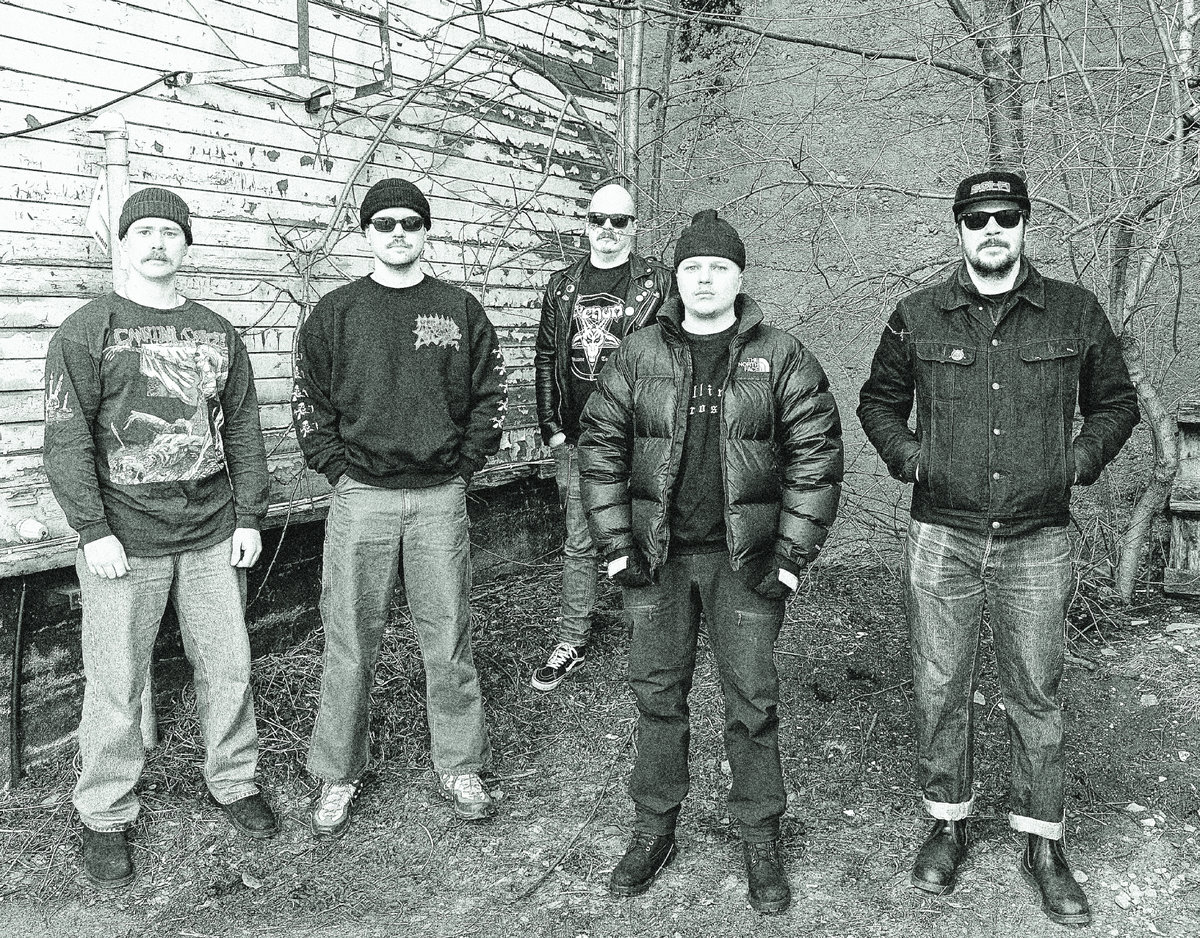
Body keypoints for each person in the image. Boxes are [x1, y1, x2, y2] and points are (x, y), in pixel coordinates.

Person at [857, 170, 1139, 926]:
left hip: (1037, 537)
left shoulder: (1074, 312)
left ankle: (1043, 842)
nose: (992, 230)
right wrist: (911, 459)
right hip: (942, 534)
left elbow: (1116, 402)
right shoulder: (917, 315)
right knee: (939, 682)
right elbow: (878, 402)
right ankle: (946, 824)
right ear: (959, 227)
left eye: (1005, 218)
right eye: (978, 218)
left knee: (1036, 688)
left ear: (1023, 226)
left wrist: (1078, 463)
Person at [579, 209, 843, 914]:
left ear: (739, 277)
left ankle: (759, 834)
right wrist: (616, 548)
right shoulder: (637, 354)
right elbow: (600, 451)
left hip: (744, 564)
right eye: (692, 268)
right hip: (657, 562)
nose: (704, 279)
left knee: (751, 702)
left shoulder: (780, 356)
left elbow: (817, 458)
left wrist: (789, 557)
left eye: (718, 268)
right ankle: (653, 828)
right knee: (657, 697)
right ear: (677, 277)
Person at [43, 187, 276, 889]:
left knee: (228, 666)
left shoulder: (215, 331)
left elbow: (243, 428)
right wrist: (92, 530)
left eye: (169, 232)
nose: (156, 243)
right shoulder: (87, 329)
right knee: (116, 681)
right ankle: (104, 812)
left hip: (211, 533)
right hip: (123, 539)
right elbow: (65, 439)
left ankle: (234, 780)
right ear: (122, 243)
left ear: (185, 245)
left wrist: (248, 515)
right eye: (142, 231)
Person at [292, 177, 507, 836]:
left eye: (410, 223)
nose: (397, 234)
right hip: (363, 498)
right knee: (350, 640)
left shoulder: (458, 309)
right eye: (384, 223)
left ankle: (460, 765)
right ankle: (338, 772)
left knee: (448, 636)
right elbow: (308, 400)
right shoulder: (336, 312)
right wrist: (338, 470)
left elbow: (490, 396)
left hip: (440, 497)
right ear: (366, 232)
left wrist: (463, 467)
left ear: (426, 231)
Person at [531, 183, 672, 691]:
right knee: (579, 539)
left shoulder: (658, 283)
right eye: (598, 219)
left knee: (648, 527)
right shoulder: (562, 286)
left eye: (619, 220)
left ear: (634, 226)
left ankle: (655, 630)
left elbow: (675, 354)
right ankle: (572, 638)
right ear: (586, 224)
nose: (608, 229)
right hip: (579, 438)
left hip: (640, 435)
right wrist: (551, 428)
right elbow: (547, 357)